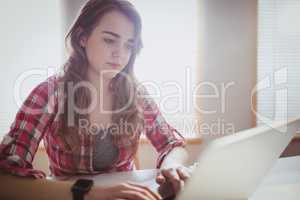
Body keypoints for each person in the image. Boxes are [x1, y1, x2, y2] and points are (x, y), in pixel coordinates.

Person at [0, 0, 190, 199]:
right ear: (82, 37)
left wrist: (173, 165)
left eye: (128, 45)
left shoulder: (134, 91)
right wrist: (89, 193)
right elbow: (5, 180)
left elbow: (172, 144)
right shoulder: (49, 93)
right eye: (109, 40)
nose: (120, 54)